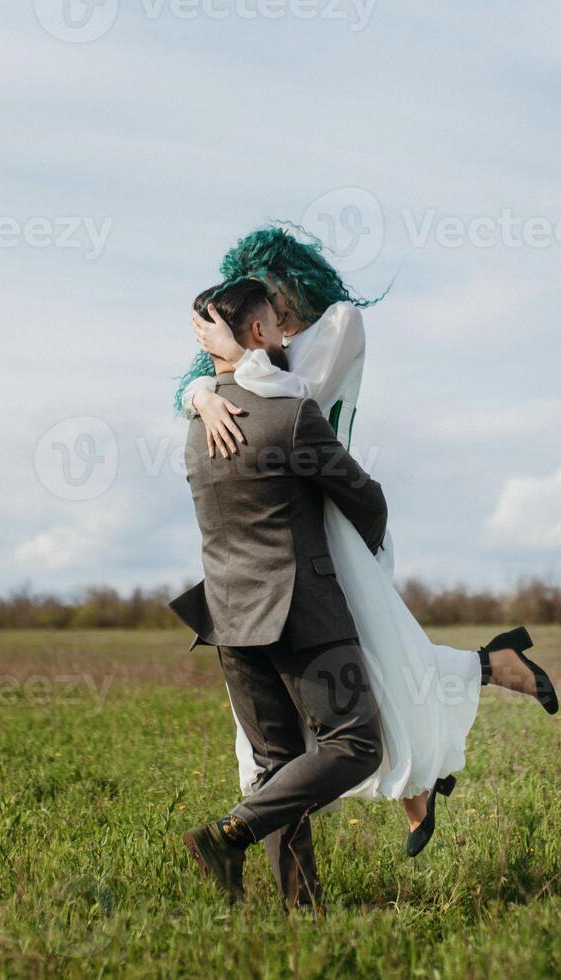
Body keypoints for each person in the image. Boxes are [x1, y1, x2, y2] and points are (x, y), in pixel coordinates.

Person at [175, 228, 558, 860]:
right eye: (254, 305)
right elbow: (223, 401)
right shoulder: (253, 364)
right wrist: (198, 388)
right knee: (364, 680)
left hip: (333, 526)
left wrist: (228, 374)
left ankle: (422, 770)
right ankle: (483, 684)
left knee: (380, 670)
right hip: (282, 529)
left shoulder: (339, 325)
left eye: (269, 294)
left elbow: (301, 403)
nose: (267, 312)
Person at [171, 278, 388, 906]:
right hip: (303, 613)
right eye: (277, 322)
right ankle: (228, 833)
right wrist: (364, 561)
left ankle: (303, 908)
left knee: (275, 766)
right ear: (259, 333)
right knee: (356, 743)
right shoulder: (290, 416)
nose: (287, 332)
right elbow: (365, 498)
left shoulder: (197, 424)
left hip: (226, 616)